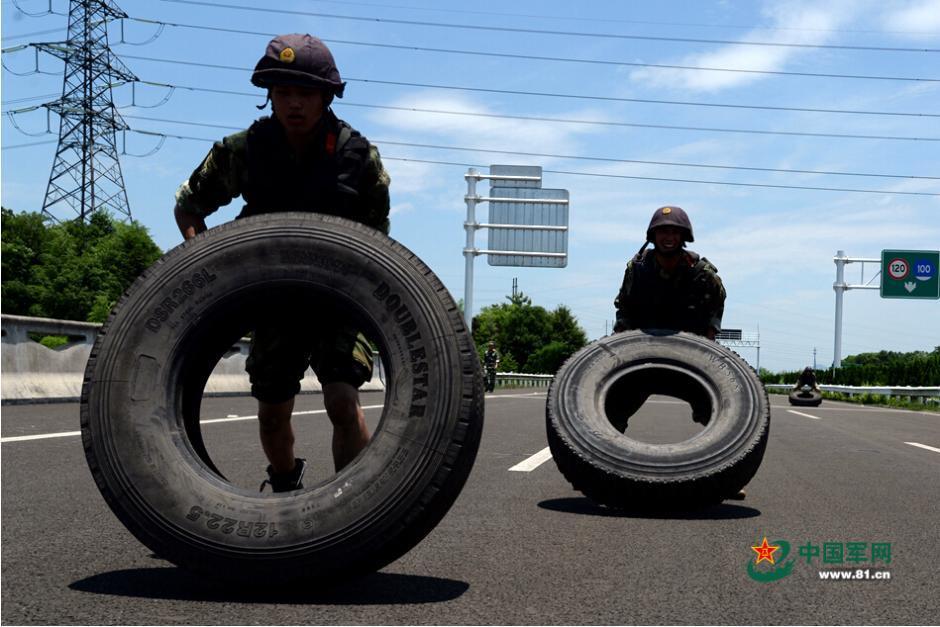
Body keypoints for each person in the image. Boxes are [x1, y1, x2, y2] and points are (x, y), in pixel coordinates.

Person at [173, 34, 391, 493]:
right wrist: (207, 271)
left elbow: (378, 244)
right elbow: (189, 206)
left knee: (341, 401)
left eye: (305, 93)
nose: (293, 103)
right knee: (273, 413)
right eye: (283, 91)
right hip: (272, 297)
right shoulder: (245, 149)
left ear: (326, 95)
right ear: (268, 94)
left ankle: (353, 500)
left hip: (337, 301)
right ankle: (286, 486)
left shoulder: (357, 158)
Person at [612, 206, 743, 501]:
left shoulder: (701, 272)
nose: (668, 237)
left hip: (690, 357)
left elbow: (714, 309)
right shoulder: (638, 269)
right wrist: (619, 344)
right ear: (653, 235)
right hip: (643, 353)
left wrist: (709, 345)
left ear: (684, 236)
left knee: (721, 413)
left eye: (674, 231)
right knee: (613, 405)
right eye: (662, 231)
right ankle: (601, 467)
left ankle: (729, 478)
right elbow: (625, 308)